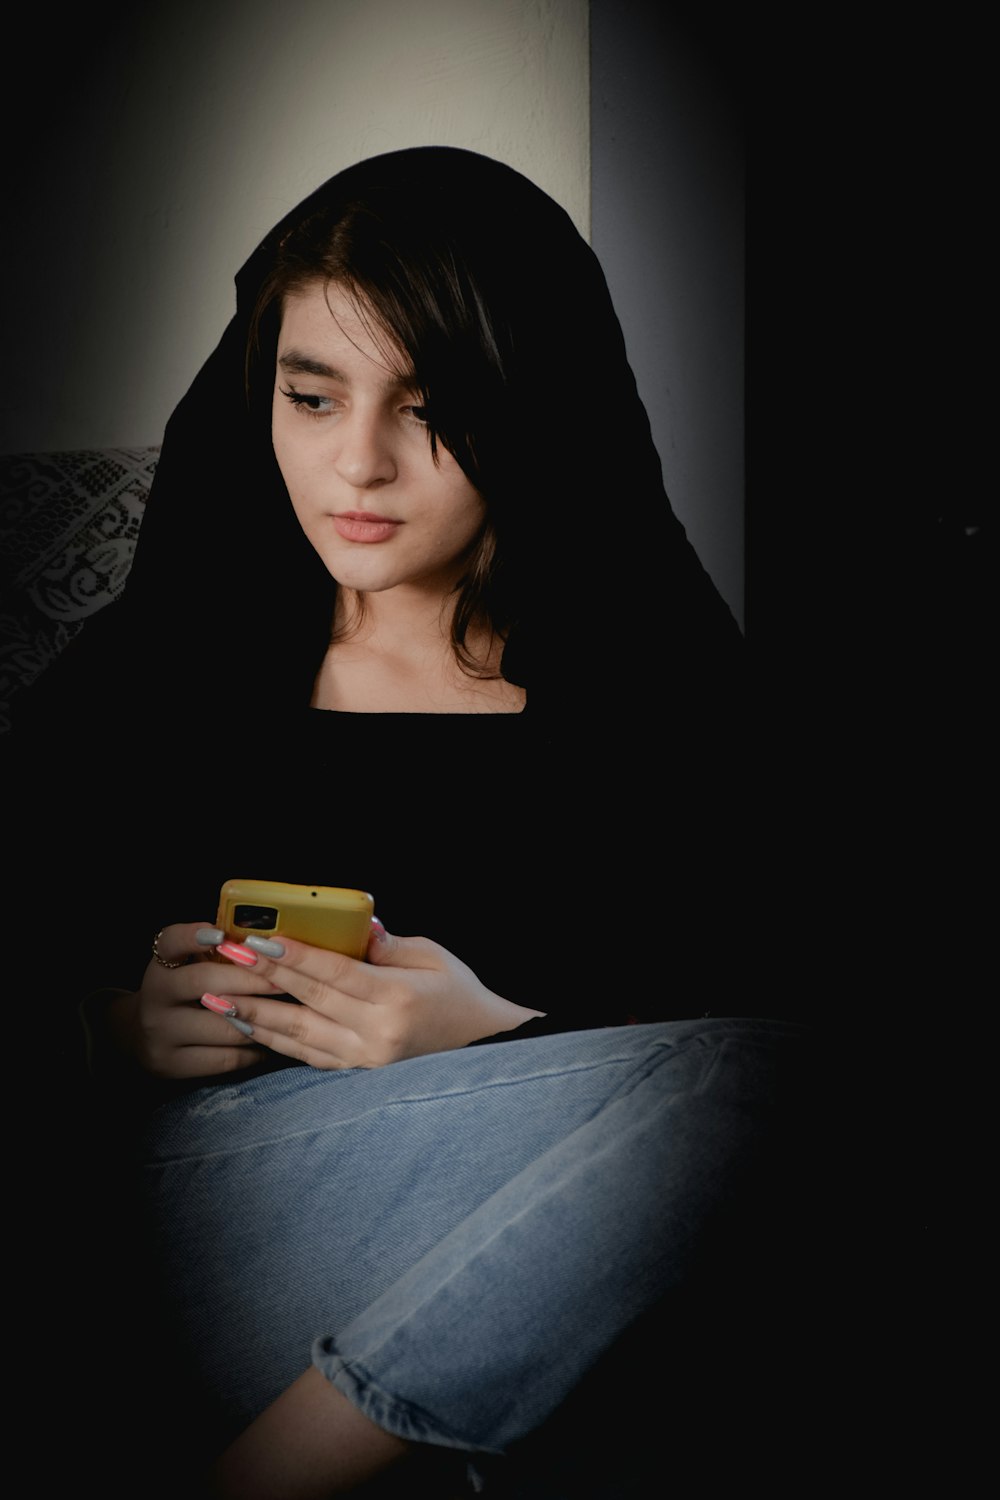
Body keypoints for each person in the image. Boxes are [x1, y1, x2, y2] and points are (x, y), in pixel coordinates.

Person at [13, 148, 810, 1497]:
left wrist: (486, 1035)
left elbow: (733, 1012)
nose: (359, 465)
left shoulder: (656, 699)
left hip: (512, 1270)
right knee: (769, 1085)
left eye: (430, 410)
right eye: (312, 398)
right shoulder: (168, 668)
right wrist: (115, 1030)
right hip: (200, 1233)